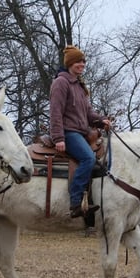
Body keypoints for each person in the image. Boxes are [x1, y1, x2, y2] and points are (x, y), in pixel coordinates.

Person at [49, 45, 111, 218]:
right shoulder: (61, 83)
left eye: (83, 61)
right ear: (69, 63)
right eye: (78, 61)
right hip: (69, 133)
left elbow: (88, 113)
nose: (82, 64)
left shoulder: (79, 86)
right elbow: (55, 112)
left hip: (81, 132)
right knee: (88, 158)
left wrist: (101, 121)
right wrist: (59, 138)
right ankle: (75, 202)